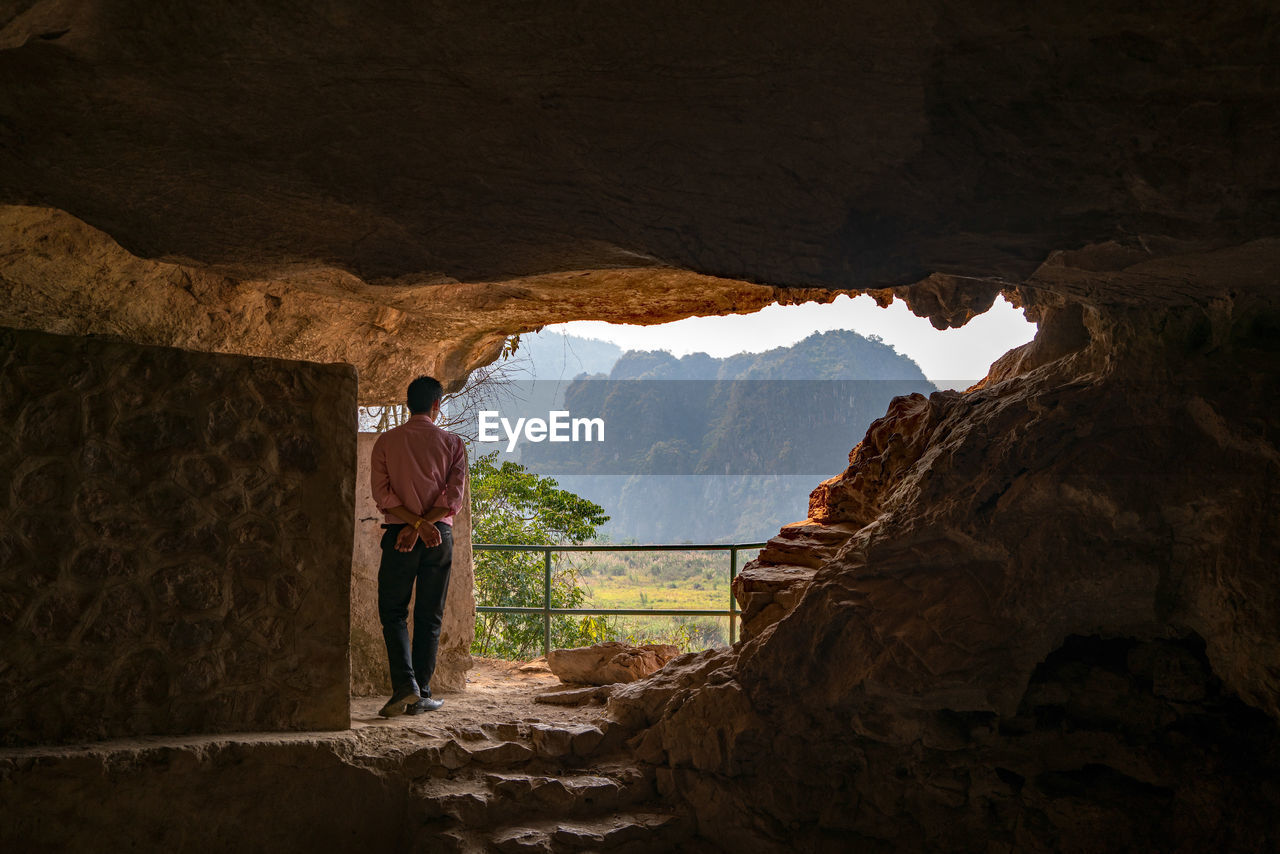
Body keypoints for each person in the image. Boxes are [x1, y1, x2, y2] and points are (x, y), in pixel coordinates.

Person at [369, 376, 468, 716]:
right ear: (437, 405)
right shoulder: (453, 444)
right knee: (430, 615)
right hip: (438, 537)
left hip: (400, 535)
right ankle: (422, 692)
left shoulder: (386, 442)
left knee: (393, 613)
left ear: (408, 403)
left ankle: (405, 687)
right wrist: (426, 524)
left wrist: (412, 524)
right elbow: (453, 497)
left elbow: (383, 495)